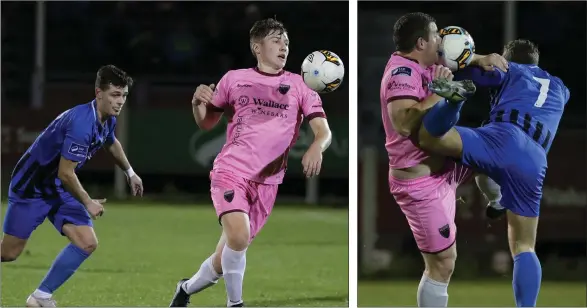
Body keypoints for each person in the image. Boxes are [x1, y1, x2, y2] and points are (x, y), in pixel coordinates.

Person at [169, 18, 332, 307]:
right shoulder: (234, 78)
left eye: (286, 42)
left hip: (268, 181)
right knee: (239, 236)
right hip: (231, 170)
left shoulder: (299, 85)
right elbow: (207, 123)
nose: (284, 46)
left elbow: (323, 130)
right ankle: (236, 303)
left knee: (225, 257)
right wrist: (198, 104)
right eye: (276, 40)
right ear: (257, 47)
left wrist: (317, 146)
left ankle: (185, 289)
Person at [418, 39, 569, 307]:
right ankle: (527, 306)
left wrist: (472, 59)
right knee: (524, 246)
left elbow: (481, 73)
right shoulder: (560, 87)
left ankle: (452, 104)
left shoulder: (509, 69)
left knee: (430, 138)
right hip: (534, 158)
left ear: (507, 58)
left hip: (500, 137)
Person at [380, 12, 507, 307]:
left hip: (445, 166)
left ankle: (497, 202)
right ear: (422, 42)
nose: (442, 40)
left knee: (488, 151)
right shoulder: (401, 74)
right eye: (436, 35)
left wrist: (479, 58)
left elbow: (457, 57)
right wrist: (440, 94)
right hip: (420, 184)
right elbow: (403, 123)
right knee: (442, 264)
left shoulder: (426, 63)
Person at [1, 65, 144, 307]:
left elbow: (111, 142)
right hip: (32, 188)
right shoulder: (81, 124)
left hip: (56, 186)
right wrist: (88, 202)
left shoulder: (106, 118)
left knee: (86, 242)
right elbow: (66, 173)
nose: (120, 102)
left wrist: (130, 172)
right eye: (115, 95)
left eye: (124, 96)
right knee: (8, 253)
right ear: (99, 93)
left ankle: (40, 297)